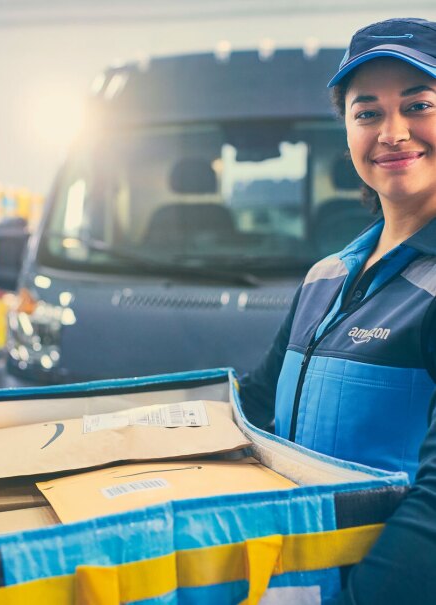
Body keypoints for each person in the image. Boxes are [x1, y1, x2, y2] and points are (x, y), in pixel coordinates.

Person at [239, 18, 436, 603]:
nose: (392, 132)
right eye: (367, 112)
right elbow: (252, 406)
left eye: (418, 104)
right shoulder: (326, 276)